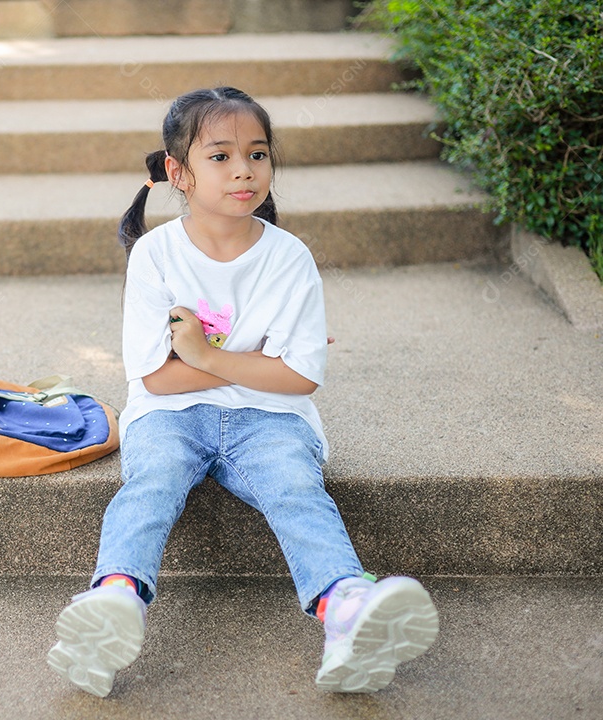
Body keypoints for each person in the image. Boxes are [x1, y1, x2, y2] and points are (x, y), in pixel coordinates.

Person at [46, 87, 438, 698]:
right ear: (179, 172)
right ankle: (114, 600)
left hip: (273, 418)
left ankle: (348, 607)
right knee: (150, 483)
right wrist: (254, 360)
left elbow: (301, 378)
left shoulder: (289, 258)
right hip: (168, 416)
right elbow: (156, 378)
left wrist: (203, 354)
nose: (243, 171)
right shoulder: (155, 255)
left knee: (294, 487)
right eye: (221, 157)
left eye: (257, 155)